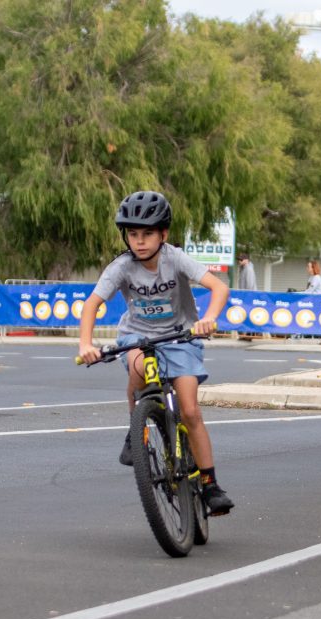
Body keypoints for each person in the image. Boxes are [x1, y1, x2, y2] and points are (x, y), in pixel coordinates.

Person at [78, 190, 234, 516]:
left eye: (148, 233)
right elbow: (92, 304)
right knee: (137, 368)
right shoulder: (121, 266)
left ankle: (209, 484)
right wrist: (86, 344)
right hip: (138, 336)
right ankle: (137, 427)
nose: (140, 241)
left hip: (180, 336)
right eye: (133, 234)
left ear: (163, 234)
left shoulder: (175, 259)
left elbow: (219, 288)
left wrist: (209, 319)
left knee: (190, 411)